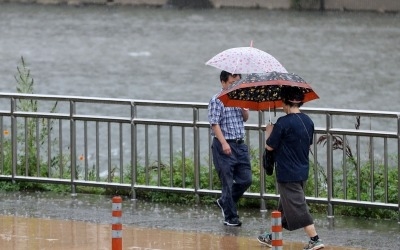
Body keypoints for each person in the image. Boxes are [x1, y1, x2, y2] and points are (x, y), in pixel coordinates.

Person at [257, 86, 324, 250]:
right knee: (285, 206)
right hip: (302, 170)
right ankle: (273, 236)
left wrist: (269, 132)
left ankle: (315, 239)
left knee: (298, 206)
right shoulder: (308, 121)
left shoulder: (283, 122)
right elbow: (306, 143)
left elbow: (270, 146)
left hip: (287, 172)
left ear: (285, 102)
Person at [207, 70, 252, 227]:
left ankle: (224, 201)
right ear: (223, 82)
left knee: (246, 179)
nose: (235, 85)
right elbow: (214, 123)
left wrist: (244, 108)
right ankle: (230, 217)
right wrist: (224, 142)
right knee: (227, 182)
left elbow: (245, 119)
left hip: (240, 144)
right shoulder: (217, 100)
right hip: (224, 145)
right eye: (233, 82)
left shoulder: (239, 98)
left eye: (238, 82)